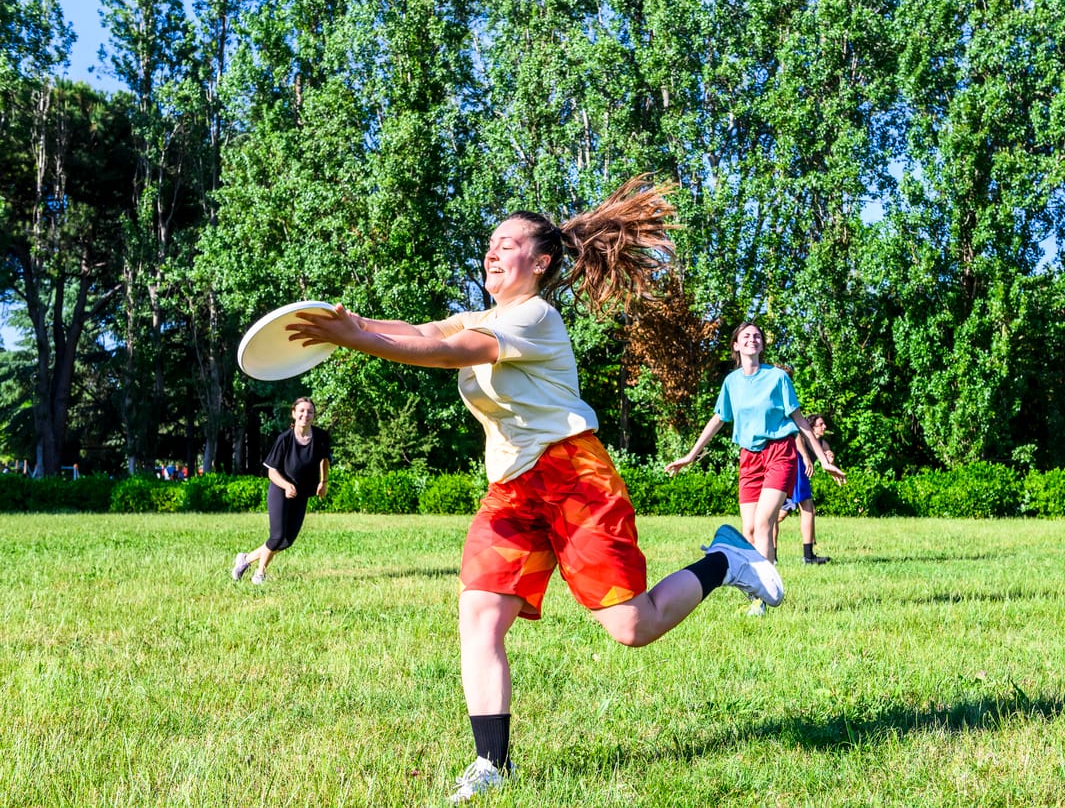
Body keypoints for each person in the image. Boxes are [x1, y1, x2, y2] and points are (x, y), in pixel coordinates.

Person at [285, 175, 783, 804]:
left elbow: (449, 352)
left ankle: (725, 559)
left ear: (540, 262)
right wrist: (350, 321)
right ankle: (491, 763)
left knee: (632, 625)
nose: (491, 252)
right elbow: (424, 329)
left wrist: (356, 340)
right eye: (490, 243)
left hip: (573, 476)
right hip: (512, 488)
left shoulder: (534, 317)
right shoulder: (486, 314)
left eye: (507, 244)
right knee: (479, 615)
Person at [665, 324, 844, 611]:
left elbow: (798, 420)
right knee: (748, 531)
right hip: (749, 458)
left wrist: (822, 460)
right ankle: (758, 589)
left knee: (763, 524)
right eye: (745, 336)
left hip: (779, 453)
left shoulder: (777, 378)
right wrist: (690, 455)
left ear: (762, 346)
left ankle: (763, 598)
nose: (752, 339)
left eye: (757, 336)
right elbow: (718, 419)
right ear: (736, 345)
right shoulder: (731, 383)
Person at [231, 397, 331, 585]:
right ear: (294, 413)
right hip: (280, 490)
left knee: (287, 541)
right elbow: (272, 471)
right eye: (301, 411)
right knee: (277, 536)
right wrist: (286, 485)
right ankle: (259, 574)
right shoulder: (284, 439)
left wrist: (323, 482)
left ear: (314, 415)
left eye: (309, 411)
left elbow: (324, 460)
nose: (305, 415)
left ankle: (245, 559)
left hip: (302, 492)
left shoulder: (321, 437)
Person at [777, 413, 835, 564]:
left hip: (795, 472)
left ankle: (770, 555)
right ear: (811, 428)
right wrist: (805, 457)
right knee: (808, 508)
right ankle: (808, 557)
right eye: (820, 424)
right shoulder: (802, 437)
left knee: (778, 515)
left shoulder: (822, 442)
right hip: (796, 468)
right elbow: (795, 438)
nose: (824, 427)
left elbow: (828, 454)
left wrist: (830, 457)